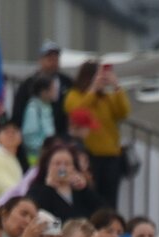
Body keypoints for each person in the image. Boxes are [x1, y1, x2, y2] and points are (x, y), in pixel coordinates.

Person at [64, 60, 129, 208]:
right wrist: (92, 89)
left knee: (110, 201)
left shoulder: (106, 97)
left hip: (111, 155)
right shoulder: (74, 95)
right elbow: (77, 112)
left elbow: (123, 112)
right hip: (89, 155)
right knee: (90, 197)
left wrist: (116, 86)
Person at [26, 143, 102, 221]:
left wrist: (85, 189)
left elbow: (102, 212)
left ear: (74, 168)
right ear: (47, 166)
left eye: (67, 164)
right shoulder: (37, 190)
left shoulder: (80, 191)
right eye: (57, 164)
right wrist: (48, 189)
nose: (62, 168)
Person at [12, 40, 73, 137]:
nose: (53, 63)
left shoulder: (67, 82)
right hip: (37, 140)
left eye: (55, 59)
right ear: (40, 60)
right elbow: (18, 112)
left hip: (62, 134)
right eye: (49, 59)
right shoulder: (28, 84)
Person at [20, 76, 57, 162]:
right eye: (52, 89)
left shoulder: (47, 107)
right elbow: (29, 136)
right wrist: (44, 147)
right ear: (43, 92)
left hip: (47, 154)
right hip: (36, 157)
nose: (55, 92)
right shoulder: (33, 109)